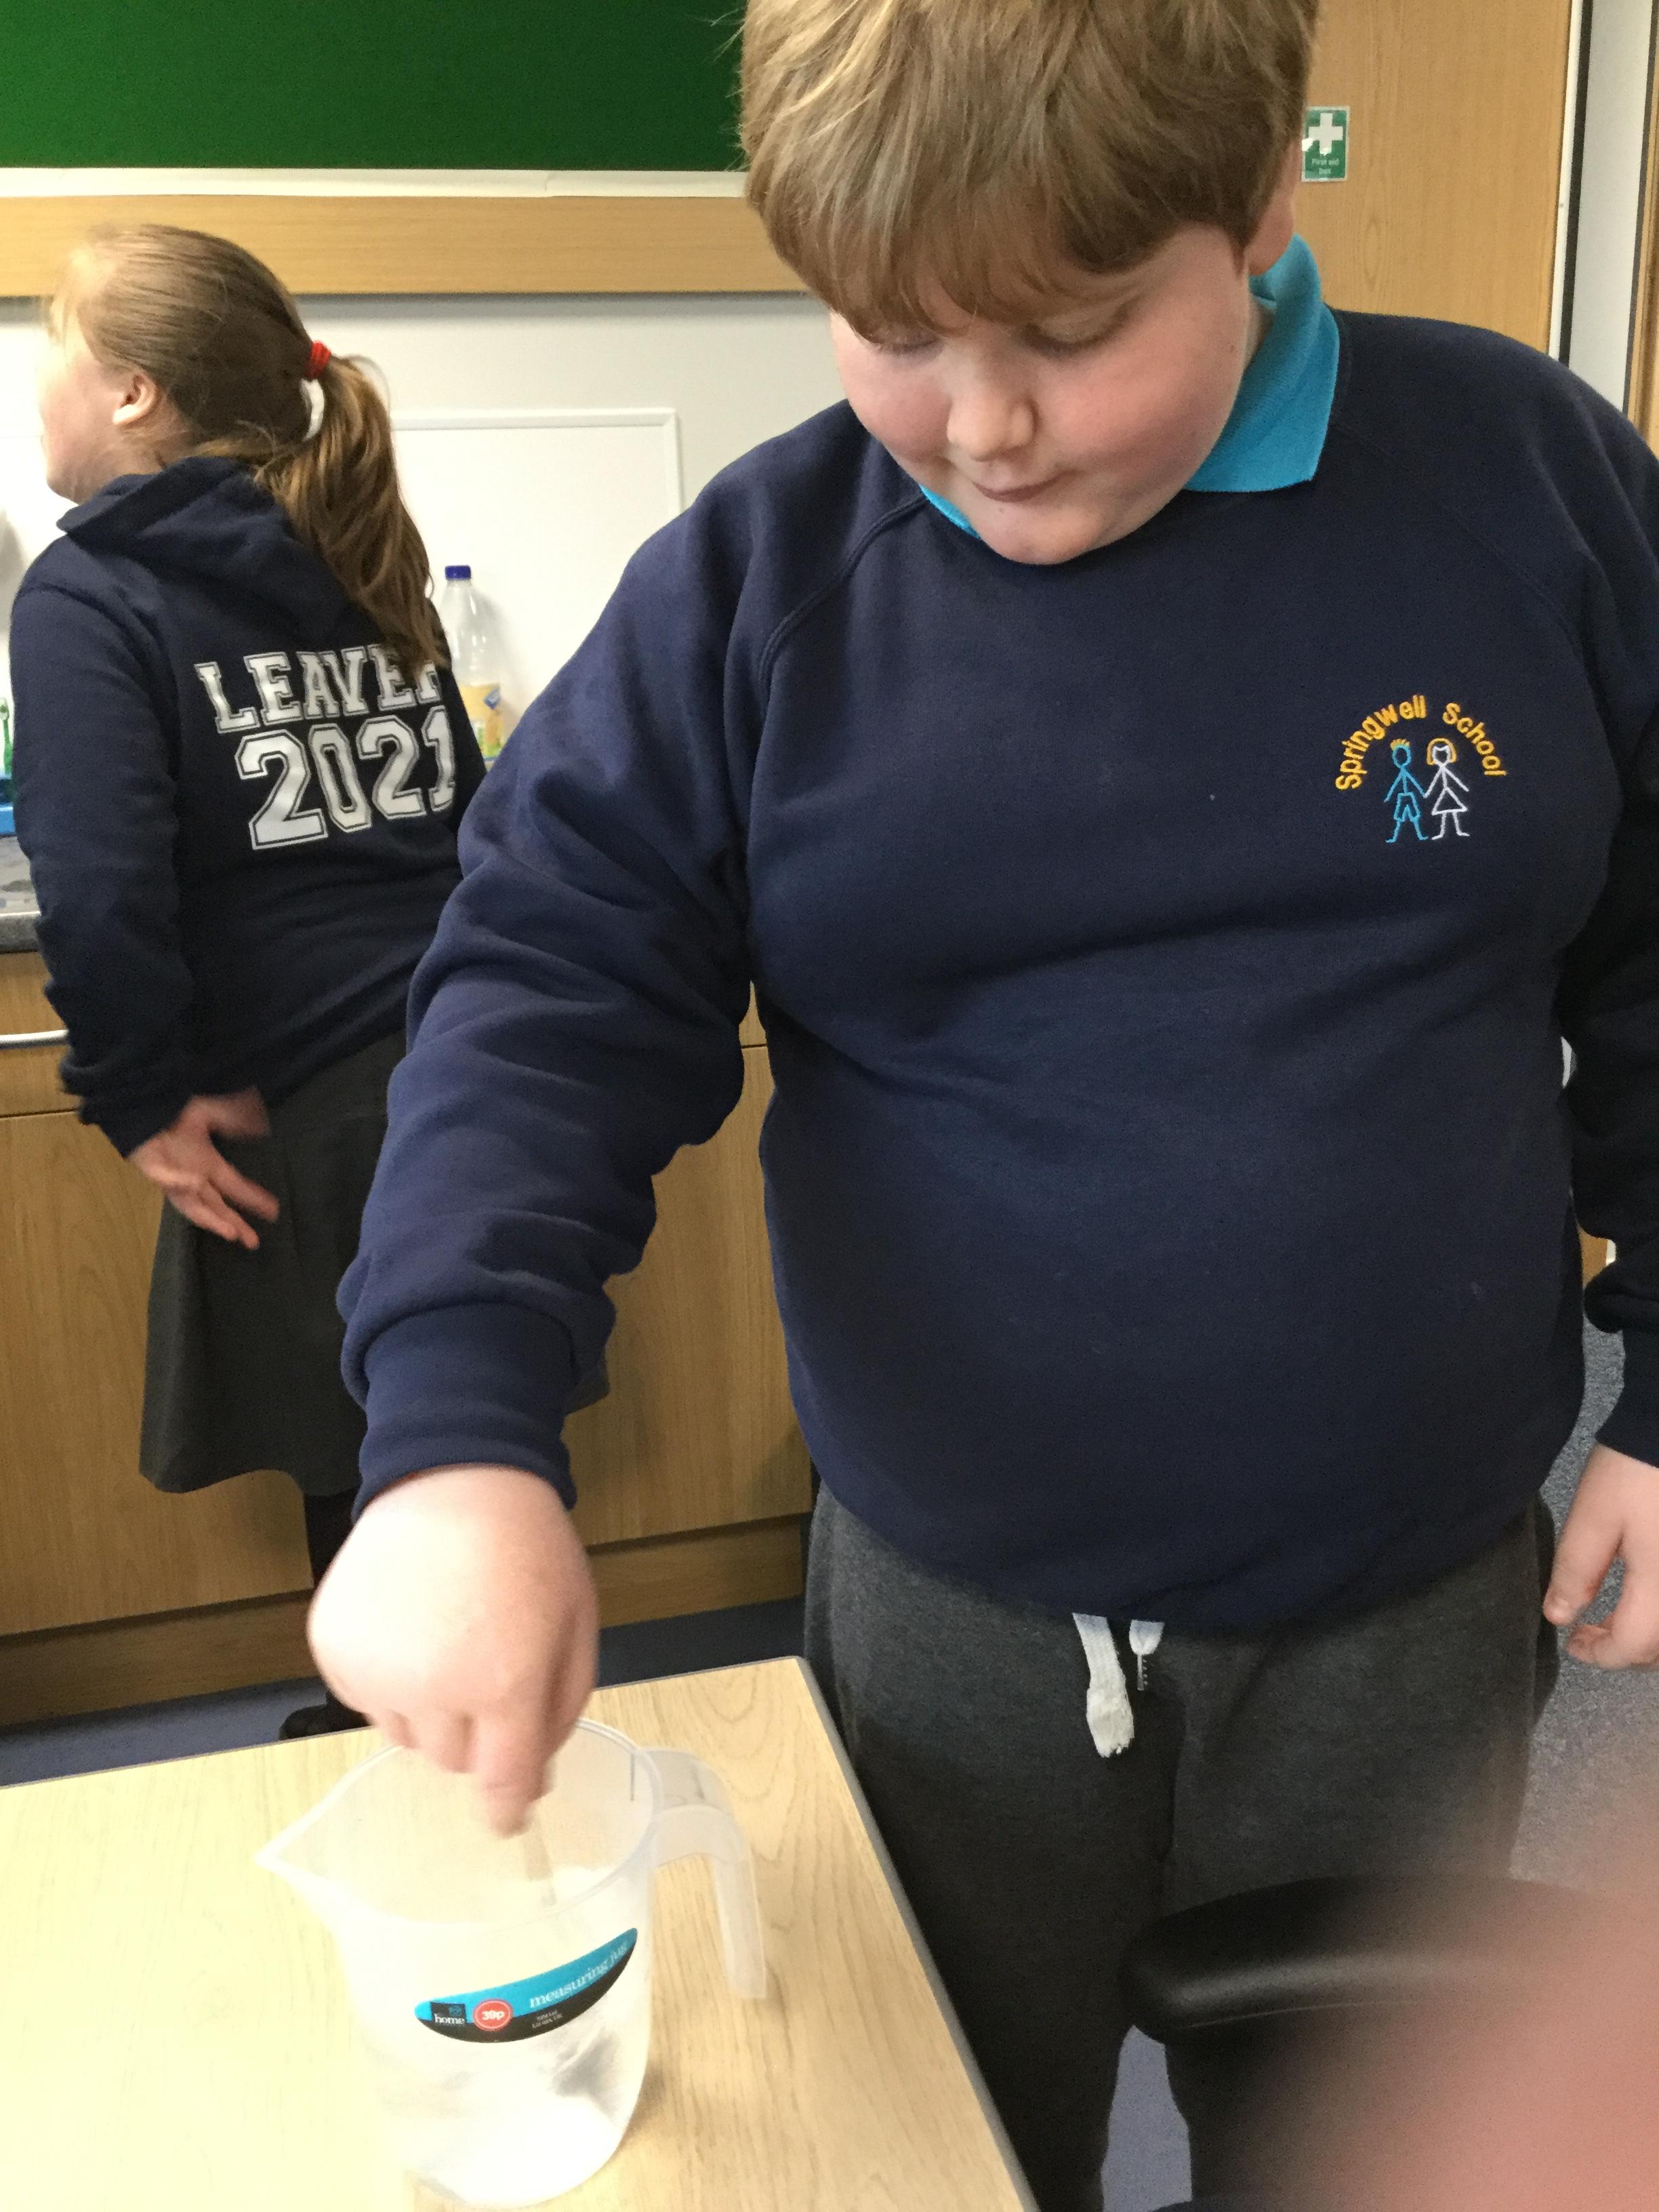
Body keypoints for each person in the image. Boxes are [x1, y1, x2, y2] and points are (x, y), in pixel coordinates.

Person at [310, 0, 1659, 2201]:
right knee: (942, 2144)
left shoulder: (1529, 483)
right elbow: (546, 988)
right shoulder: (765, 581)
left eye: (1069, 329)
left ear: (1256, 205)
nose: (982, 426)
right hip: (956, 1611)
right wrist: (455, 1439)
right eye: (893, 330)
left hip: (1408, 1603)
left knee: (1369, 2151)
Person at [9, 224, 487, 1737]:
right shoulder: (362, 546)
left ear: (135, 392)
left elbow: (100, 896)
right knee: (435, 1416)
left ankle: (412, 1741)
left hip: (301, 1096)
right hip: (463, 1060)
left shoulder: (90, 595)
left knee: (355, 1443)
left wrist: (139, 1098)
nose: (38, 392)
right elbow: (467, 817)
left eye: (55, 356)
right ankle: (438, 1724)